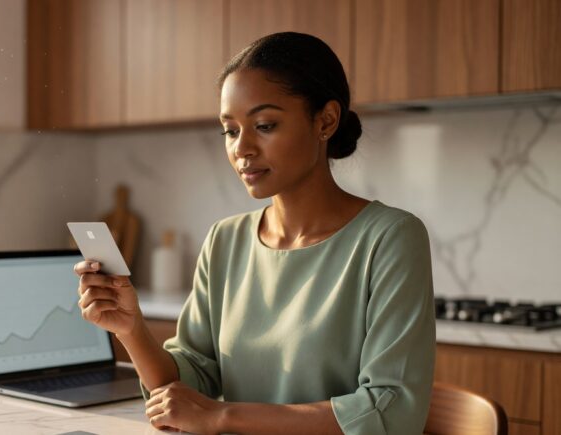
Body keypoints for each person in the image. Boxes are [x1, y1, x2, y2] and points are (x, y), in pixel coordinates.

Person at [73, 32, 435, 435]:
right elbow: (184, 392)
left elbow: (393, 412)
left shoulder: (390, 238)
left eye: (264, 125)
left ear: (325, 120)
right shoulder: (225, 240)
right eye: (230, 130)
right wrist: (131, 328)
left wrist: (222, 416)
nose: (241, 148)